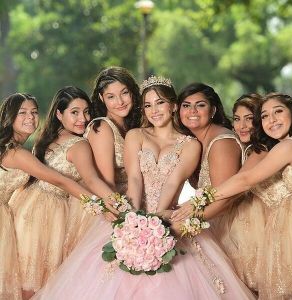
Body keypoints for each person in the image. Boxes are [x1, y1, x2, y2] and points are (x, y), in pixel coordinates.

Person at [33, 76, 255, 300]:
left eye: (160, 103)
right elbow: (135, 178)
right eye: (148, 105)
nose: (154, 110)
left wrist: (157, 221)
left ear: (173, 106)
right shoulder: (135, 135)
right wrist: (133, 219)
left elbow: (174, 181)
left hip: (168, 216)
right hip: (131, 211)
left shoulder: (190, 144)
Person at [10, 87, 117, 298]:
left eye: (86, 112)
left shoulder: (56, 140)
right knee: (32, 280)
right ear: (59, 114)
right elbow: (89, 180)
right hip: (43, 215)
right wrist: (109, 204)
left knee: (23, 277)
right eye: (74, 112)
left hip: (28, 206)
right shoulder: (70, 143)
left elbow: (92, 179)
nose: (83, 119)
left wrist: (115, 203)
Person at [197, 93, 292, 299]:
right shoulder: (284, 144)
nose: (272, 120)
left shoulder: (289, 145)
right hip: (281, 229)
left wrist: (196, 203)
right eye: (265, 116)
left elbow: (245, 180)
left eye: (278, 112)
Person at [63, 67, 141, 257]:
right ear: (101, 98)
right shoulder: (101, 127)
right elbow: (106, 182)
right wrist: (127, 217)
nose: (120, 102)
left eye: (124, 93)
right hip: (110, 205)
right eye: (111, 96)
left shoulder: (135, 125)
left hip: (133, 201)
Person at [174, 82, 242, 224]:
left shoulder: (222, 142)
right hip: (210, 218)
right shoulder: (192, 143)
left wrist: (184, 223)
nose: (192, 111)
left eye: (200, 105)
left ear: (213, 111)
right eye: (186, 105)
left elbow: (225, 200)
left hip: (230, 221)